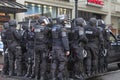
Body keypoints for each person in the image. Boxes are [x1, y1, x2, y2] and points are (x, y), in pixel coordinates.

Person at [51, 15, 70, 80]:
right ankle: (60, 76)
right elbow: (64, 39)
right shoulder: (62, 29)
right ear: (61, 20)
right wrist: (67, 49)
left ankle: (53, 77)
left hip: (54, 48)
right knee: (63, 61)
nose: (65, 22)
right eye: (65, 20)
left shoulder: (53, 28)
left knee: (54, 61)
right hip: (60, 48)